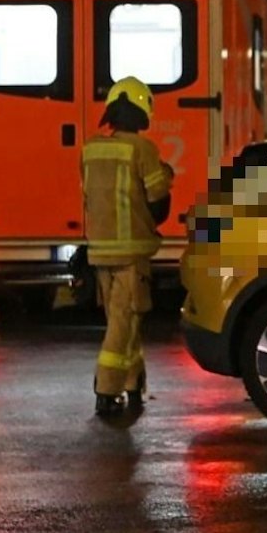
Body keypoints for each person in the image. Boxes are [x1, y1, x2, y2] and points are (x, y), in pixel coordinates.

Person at [81, 77, 173, 417]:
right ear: (141, 111)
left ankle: (134, 380)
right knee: (123, 321)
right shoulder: (142, 149)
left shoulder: (91, 149)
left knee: (122, 318)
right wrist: (166, 177)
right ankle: (106, 388)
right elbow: (159, 204)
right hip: (132, 252)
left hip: (99, 249)